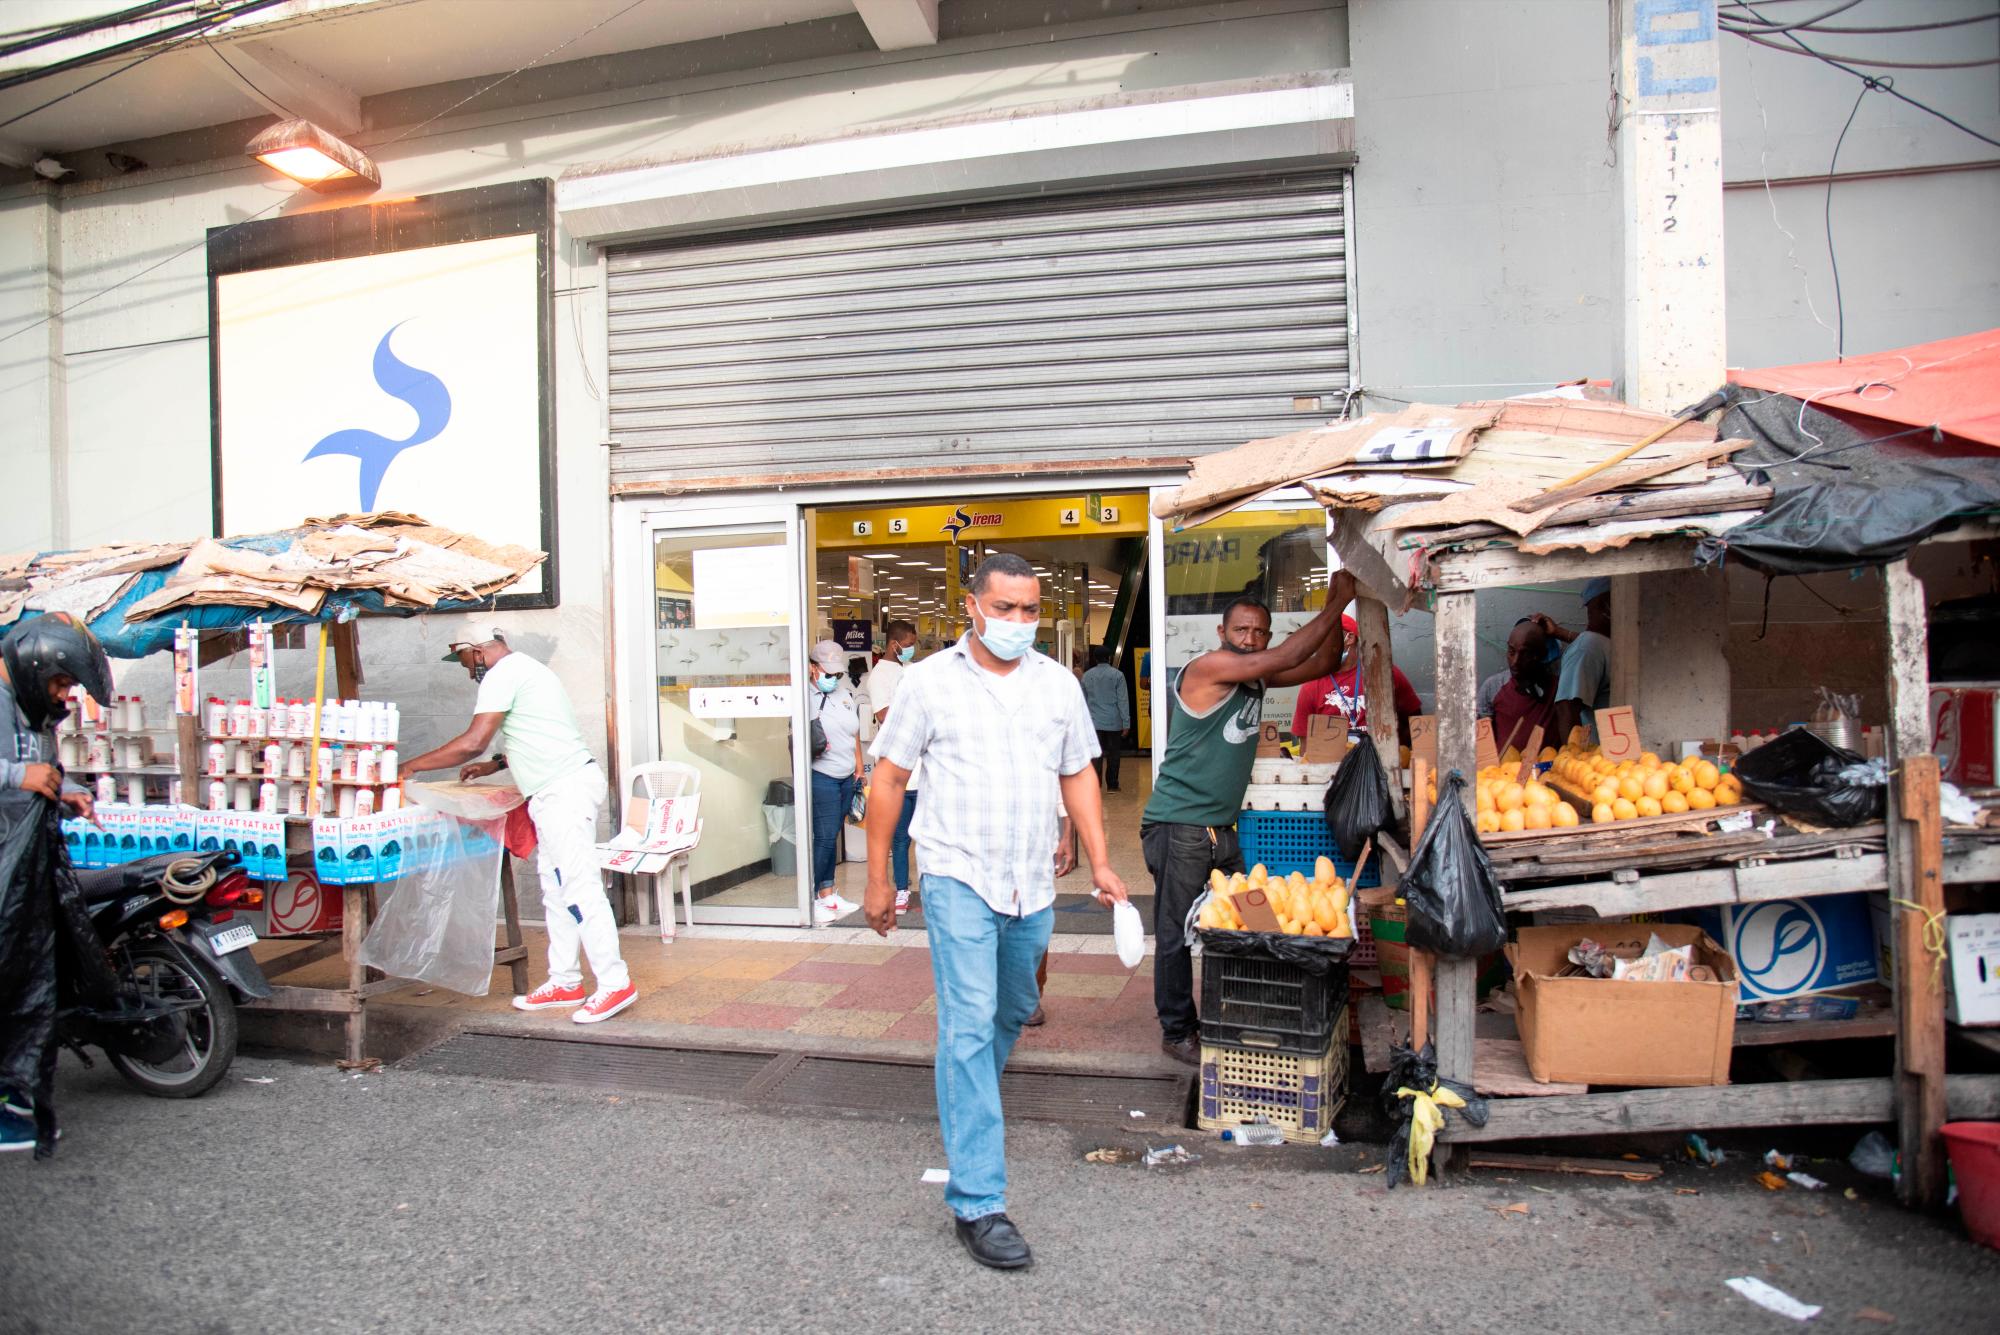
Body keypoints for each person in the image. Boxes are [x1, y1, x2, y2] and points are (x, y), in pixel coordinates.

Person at [863, 552, 1128, 1271]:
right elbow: (888, 776)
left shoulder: (1058, 686)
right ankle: (978, 1199)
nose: (1018, 622)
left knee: (1014, 1005)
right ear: (972, 608)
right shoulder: (927, 683)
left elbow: (1076, 770)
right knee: (971, 1020)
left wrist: (1100, 857)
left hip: (1030, 879)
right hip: (955, 872)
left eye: (1029, 609)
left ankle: (967, 1081)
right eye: (1004, 608)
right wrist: (881, 876)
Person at [1145, 572, 1356, 1066]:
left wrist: (1340, 611)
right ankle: (1177, 1031)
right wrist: (1336, 602)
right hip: (1180, 826)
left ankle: (1237, 1011)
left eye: (1260, 632)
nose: (1250, 640)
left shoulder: (1256, 672)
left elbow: (1323, 661)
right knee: (1175, 933)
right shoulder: (1208, 666)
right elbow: (1286, 657)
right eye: (1242, 631)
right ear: (1222, 633)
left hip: (1222, 829)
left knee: (1244, 922)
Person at [403, 625, 636, 1024]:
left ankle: (616, 983)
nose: (465, 670)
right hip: (553, 790)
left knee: (579, 886)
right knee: (555, 888)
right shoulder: (527, 670)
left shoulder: (502, 673)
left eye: (462, 661)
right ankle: (565, 980)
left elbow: (473, 741)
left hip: (563, 790)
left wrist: (410, 765)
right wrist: (496, 764)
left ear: (475, 651)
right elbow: (538, 731)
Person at [0, 613, 117, 1156]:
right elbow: (17, 771)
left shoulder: (31, 711)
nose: (64, 695)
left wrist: (65, 787)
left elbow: (37, 764)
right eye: (63, 682)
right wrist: (14, 777)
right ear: (35, 664)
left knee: (28, 986)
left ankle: (15, 1098)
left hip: (21, 873)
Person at [1290, 611, 1425, 746]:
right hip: (1334, 766)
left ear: (1349, 638)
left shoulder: (1385, 674)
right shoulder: (1311, 685)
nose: (1318, 646)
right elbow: (1306, 746)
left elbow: (1415, 722)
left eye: (1324, 639)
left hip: (1381, 764)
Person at [860, 621, 921, 913]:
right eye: (908, 643)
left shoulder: (910, 670)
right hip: (896, 773)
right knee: (900, 837)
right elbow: (885, 716)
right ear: (894, 643)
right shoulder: (879, 676)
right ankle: (901, 888)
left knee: (929, 834)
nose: (911, 648)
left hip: (922, 770)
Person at [805, 638, 865, 924]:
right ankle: (813, 896)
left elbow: (854, 733)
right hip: (822, 776)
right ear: (812, 669)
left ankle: (828, 893)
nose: (833, 678)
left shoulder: (844, 694)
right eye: (827, 673)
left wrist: (859, 768)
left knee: (832, 837)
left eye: (836, 673)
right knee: (825, 837)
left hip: (846, 777)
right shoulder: (804, 698)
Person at [1543, 577, 1614, 746]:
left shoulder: (1599, 643)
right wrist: (1574, 756)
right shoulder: (1588, 646)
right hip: (1598, 763)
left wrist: (1560, 632)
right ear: (1605, 606)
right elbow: (1567, 708)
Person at [1480, 617, 1556, 757]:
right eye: (1511, 651)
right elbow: (1483, 743)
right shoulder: (1493, 686)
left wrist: (1559, 632)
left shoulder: (1558, 687)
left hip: (1546, 771)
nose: (1515, 662)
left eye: (1525, 654)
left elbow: (1589, 646)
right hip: (1503, 773)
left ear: (1541, 655)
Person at [1080, 645, 1131, 792]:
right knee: (1114, 753)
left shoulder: (1087, 676)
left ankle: (1095, 786)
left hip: (1093, 722)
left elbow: (1082, 701)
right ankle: (1112, 785)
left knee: (1095, 755)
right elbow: (1122, 700)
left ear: (1095, 659)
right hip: (1113, 721)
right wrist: (1126, 722)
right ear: (1109, 658)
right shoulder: (1118, 675)